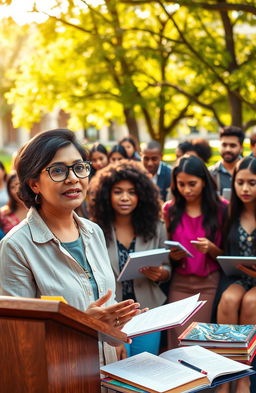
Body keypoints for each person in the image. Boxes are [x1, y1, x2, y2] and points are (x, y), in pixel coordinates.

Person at [0, 129, 143, 367]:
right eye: (58, 170)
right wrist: (83, 324)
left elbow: (106, 301)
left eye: (79, 167)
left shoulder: (93, 231)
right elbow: (17, 339)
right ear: (34, 184)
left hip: (110, 369)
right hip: (61, 376)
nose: (73, 178)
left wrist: (117, 333)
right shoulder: (16, 247)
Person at [89, 160, 171, 356]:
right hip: (113, 313)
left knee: (146, 367)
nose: (125, 197)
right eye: (118, 192)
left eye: (131, 192)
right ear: (106, 194)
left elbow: (168, 268)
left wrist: (160, 274)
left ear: (141, 195)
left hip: (148, 310)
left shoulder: (157, 226)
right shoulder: (93, 229)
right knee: (118, 370)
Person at [162, 155, 227, 349]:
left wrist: (211, 248)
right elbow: (164, 249)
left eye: (192, 184)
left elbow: (228, 255)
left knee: (198, 340)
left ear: (204, 181)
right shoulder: (170, 210)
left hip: (208, 283)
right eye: (181, 184)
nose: (186, 190)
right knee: (176, 339)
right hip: (179, 282)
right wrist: (172, 256)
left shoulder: (222, 208)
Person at [217, 156, 256, 393]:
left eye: (252, 183)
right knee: (230, 299)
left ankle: (244, 376)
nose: (244, 189)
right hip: (237, 276)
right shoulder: (230, 212)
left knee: (252, 301)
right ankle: (225, 374)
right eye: (240, 182)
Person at [209, 126, 244, 196]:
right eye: (224, 145)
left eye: (232, 145)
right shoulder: (210, 173)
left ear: (241, 148)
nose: (228, 149)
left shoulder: (250, 171)